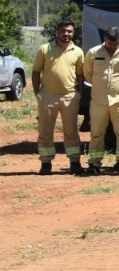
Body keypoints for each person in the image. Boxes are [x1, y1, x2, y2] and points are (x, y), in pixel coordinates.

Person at [33, 20, 85, 175]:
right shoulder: (45, 49)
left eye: (69, 31)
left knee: (71, 131)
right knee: (45, 131)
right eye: (63, 31)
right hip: (48, 96)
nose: (66, 34)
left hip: (70, 96)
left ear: (73, 33)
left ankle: (74, 162)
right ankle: (46, 163)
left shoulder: (78, 51)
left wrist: (79, 94)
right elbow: (36, 72)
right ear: (57, 32)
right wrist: (38, 94)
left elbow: (80, 75)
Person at [83, 27, 119, 174]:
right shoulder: (94, 52)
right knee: (97, 133)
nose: (111, 46)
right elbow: (87, 74)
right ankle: (94, 163)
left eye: (115, 43)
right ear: (104, 39)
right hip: (99, 100)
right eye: (109, 43)